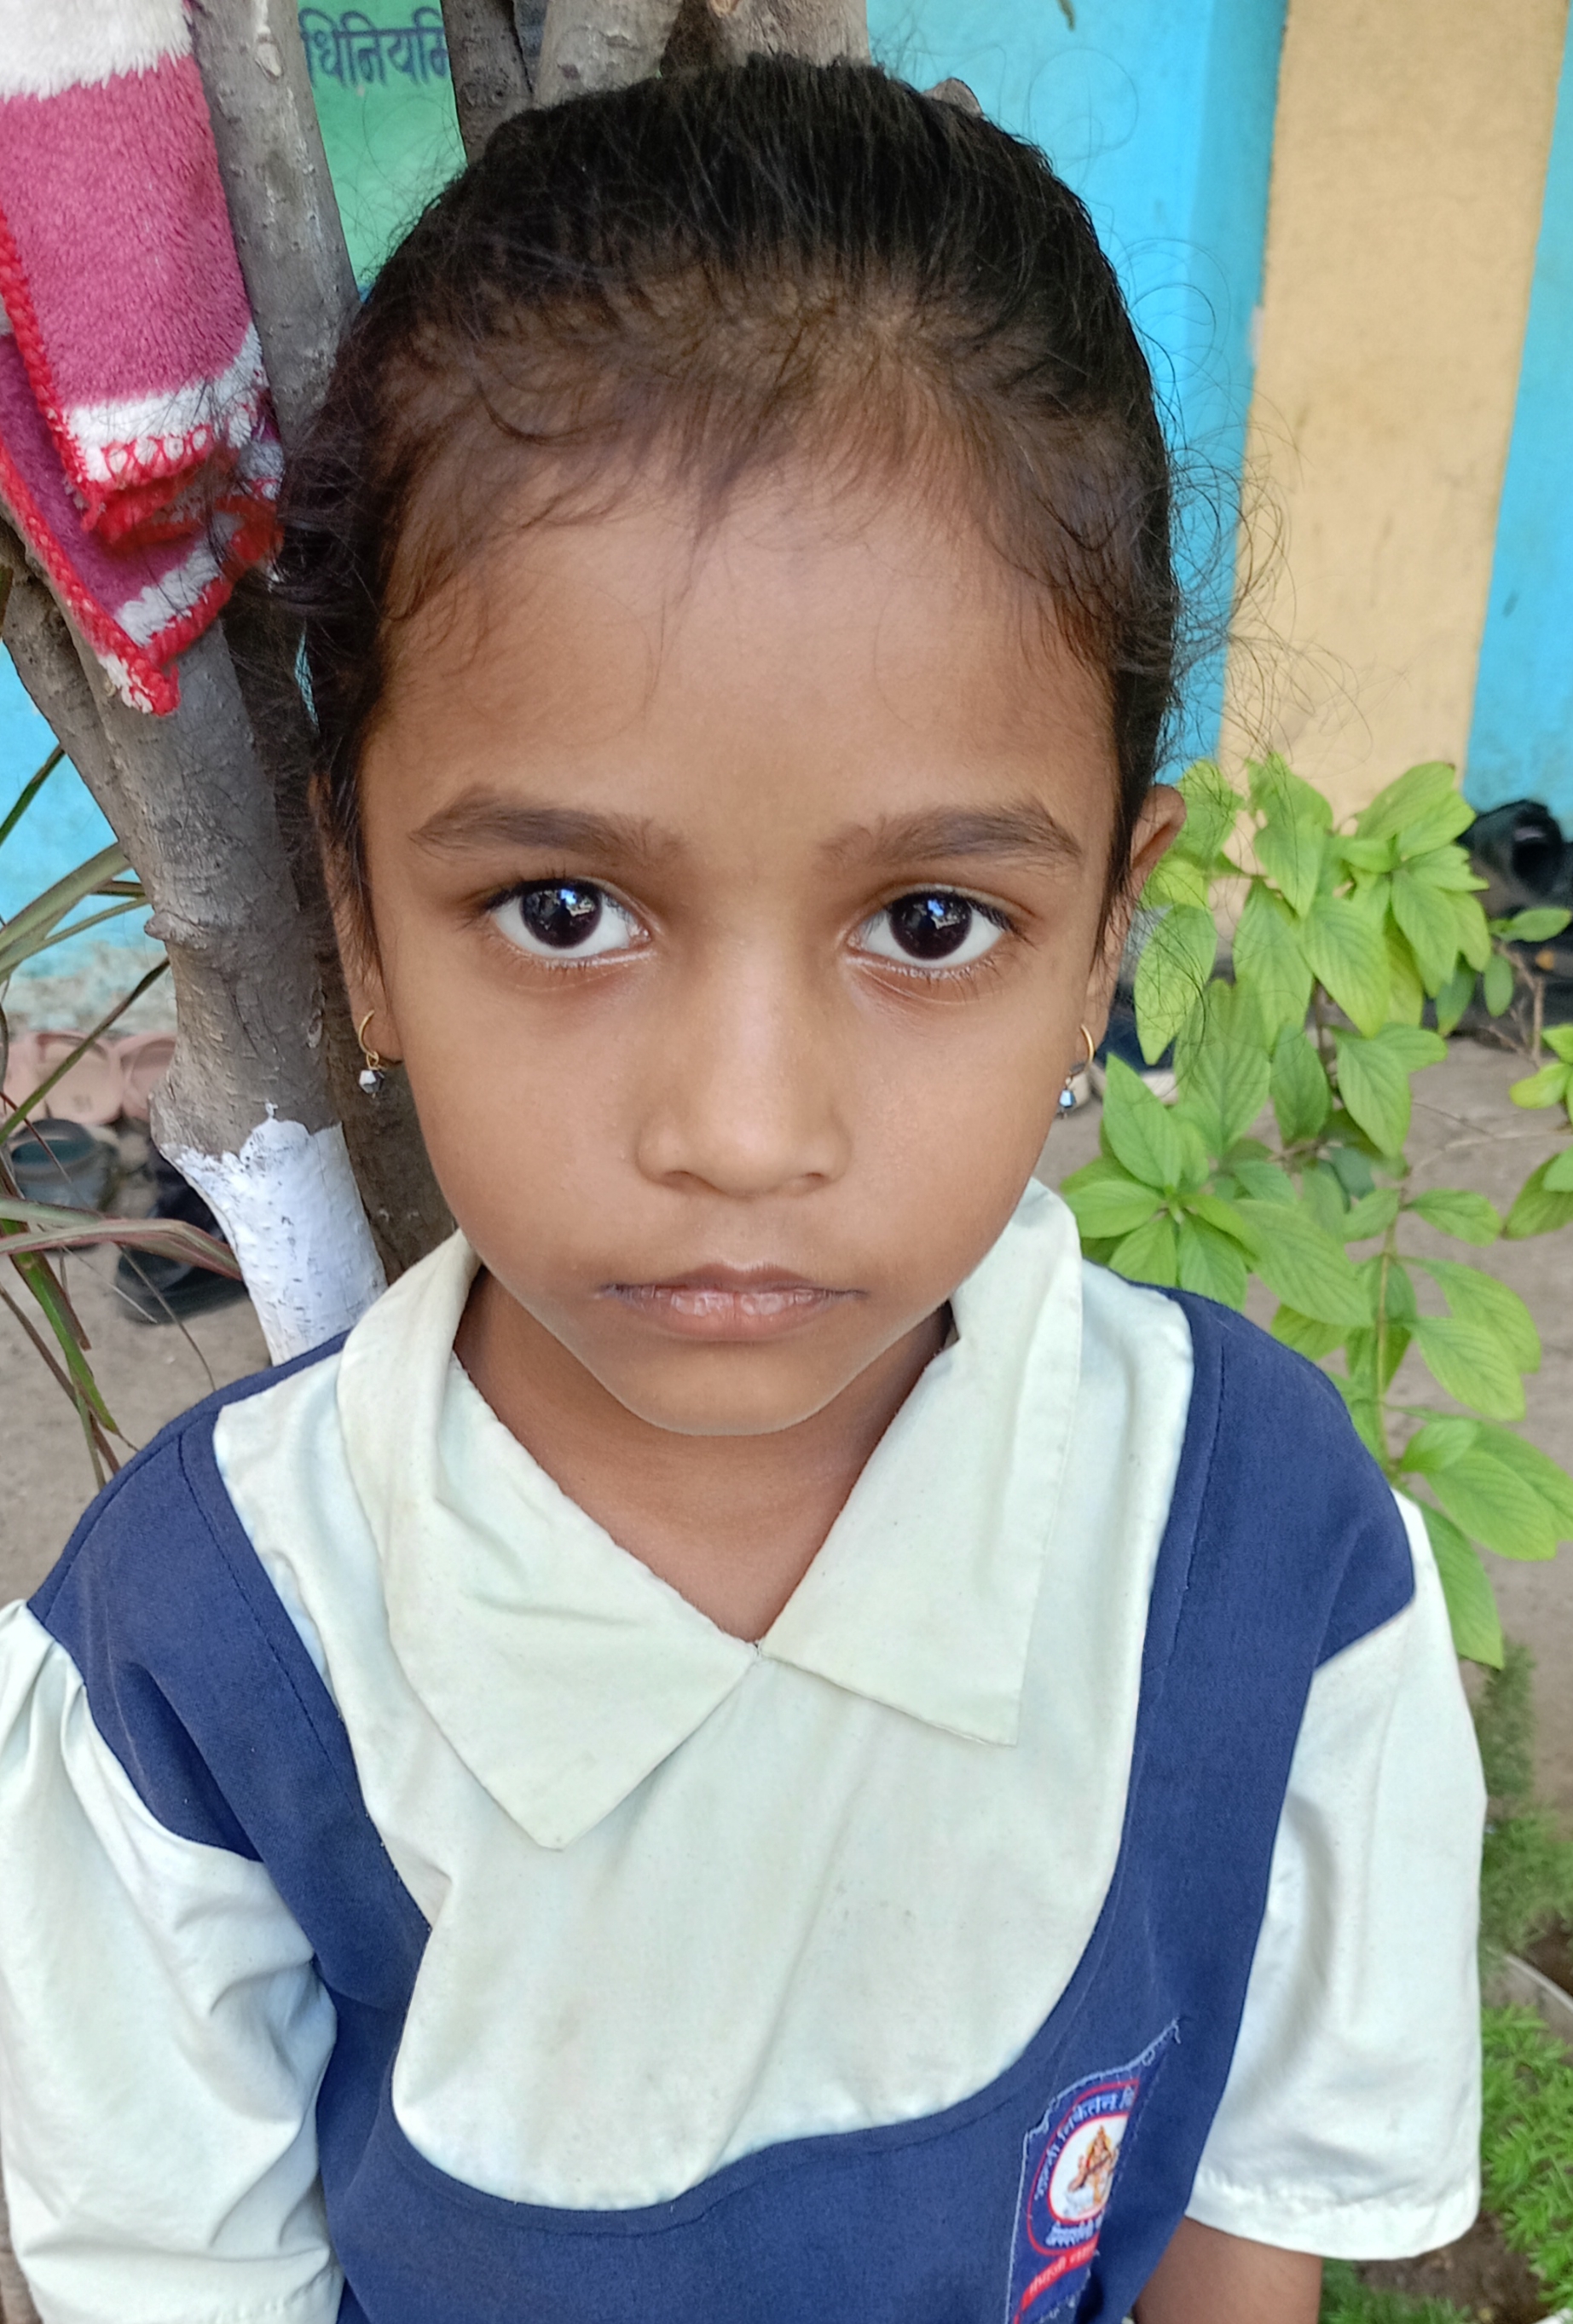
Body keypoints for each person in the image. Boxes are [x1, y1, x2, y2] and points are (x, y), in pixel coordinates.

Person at [0, 57, 1483, 2324]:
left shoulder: (1268, 1567)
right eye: (566, 909)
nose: (741, 1127)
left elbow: (1241, 2245)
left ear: (1107, 938)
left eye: (930, 924)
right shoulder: (199, 1676)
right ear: (363, 919)